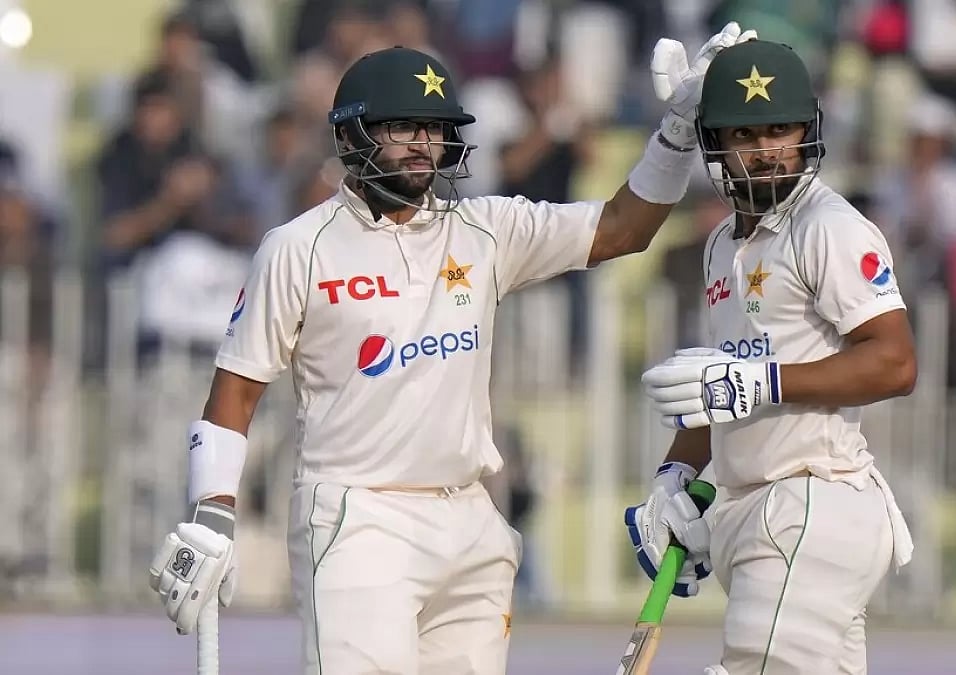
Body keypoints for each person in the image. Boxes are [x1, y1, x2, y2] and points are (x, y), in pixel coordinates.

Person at [147, 29, 753, 674]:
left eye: (433, 129)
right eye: (402, 127)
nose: (422, 146)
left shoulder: (485, 230)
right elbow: (237, 389)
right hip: (358, 515)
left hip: (468, 515)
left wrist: (679, 131)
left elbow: (623, 230)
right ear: (351, 137)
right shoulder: (299, 247)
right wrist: (214, 512)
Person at [625, 39, 917, 674]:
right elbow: (724, 379)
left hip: (812, 502)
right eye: (744, 133)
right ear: (717, 144)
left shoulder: (828, 226)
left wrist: (760, 383)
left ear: (806, 131)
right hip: (751, 508)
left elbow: (895, 363)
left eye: (779, 130)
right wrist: (673, 478)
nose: (765, 149)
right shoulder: (718, 248)